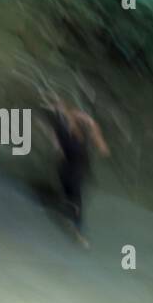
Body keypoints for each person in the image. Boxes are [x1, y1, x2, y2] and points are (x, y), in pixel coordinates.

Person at [44, 94, 109, 246]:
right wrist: (57, 146)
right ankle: (70, 213)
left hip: (78, 164)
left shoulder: (75, 115)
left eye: (60, 107)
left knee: (76, 197)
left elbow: (92, 124)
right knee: (69, 193)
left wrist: (99, 140)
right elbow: (56, 139)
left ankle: (79, 232)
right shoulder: (57, 124)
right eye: (56, 108)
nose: (58, 110)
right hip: (68, 165)